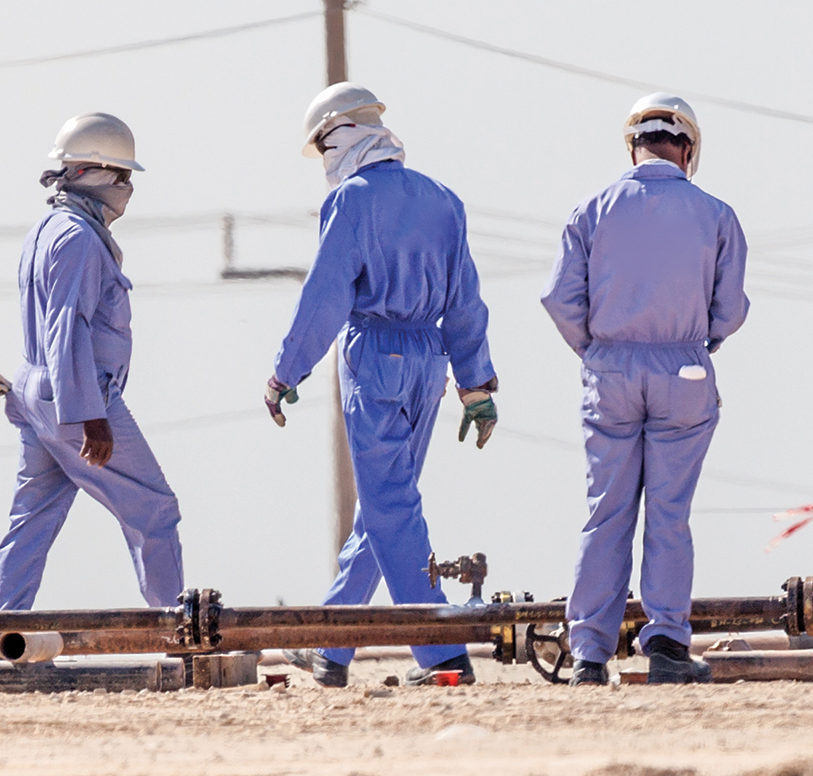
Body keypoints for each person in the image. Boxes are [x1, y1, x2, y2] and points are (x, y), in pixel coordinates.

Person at [265, 83, 498, 689]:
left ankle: (442, 654)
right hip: (429, 360)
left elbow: (325, 294)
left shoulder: (351, 200)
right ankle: (331, 645)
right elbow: (465, 300)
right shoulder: (443, 199)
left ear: (338, 136)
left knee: (391, 507)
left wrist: (287, 370)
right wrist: (475, 384)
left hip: (375, 355)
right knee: (384, 506)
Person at [543, 94, 749, 686]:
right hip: (682, 368)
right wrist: (698, 341)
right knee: (668, 514)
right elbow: (729, 309)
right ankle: (665, 643)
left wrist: (598, 350)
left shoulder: (591, 210)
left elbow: (559, 298)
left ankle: (588, 653)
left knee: (605, 513)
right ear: (687, 148)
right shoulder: (716, 215)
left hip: (609, 368)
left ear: (633, 146)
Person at [0, 113, 186, 612]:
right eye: (122, 176)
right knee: (154, 510)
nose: (127, 188)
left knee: (31, 520)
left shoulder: (46, 229)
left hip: (39, 391)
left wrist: (30, 390)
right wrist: (89, 415)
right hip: (77, 396)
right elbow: (67, 326)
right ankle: (175, 629)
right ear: (92, 173)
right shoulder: (77, 237)